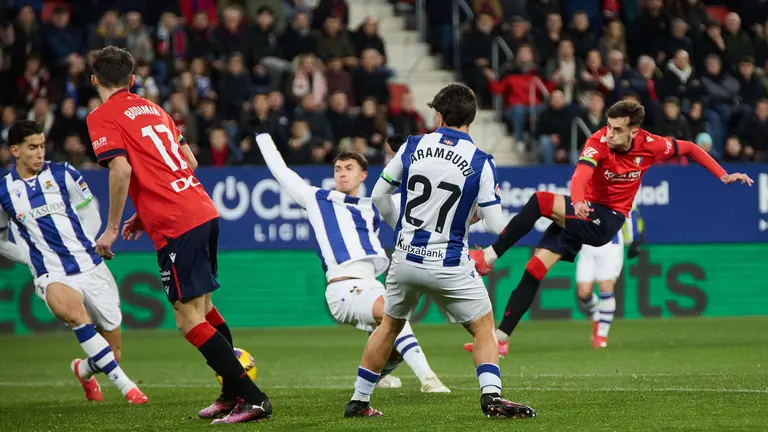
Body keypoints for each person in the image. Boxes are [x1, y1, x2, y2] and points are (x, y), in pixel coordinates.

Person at [463, 100, 753, 356]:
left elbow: (689, 148)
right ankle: (501, 337)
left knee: (540, 201)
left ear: (634, 132)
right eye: (608, 126)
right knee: (534, 268)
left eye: (617, 130)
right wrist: (576, 201)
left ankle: (489, 257)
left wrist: (723, 175)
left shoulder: (651, 145)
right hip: (584, 211)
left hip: (608, 220)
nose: (609, 133)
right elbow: (580, 175)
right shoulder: (598, 142)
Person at [85, 46, 271, 424]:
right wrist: (146, 207)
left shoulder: (102, 116)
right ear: (133, 79)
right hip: (201, 208)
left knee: (187, 319)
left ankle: (253, 399)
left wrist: (111, 228)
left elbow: (119, 170)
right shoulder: (155, 109)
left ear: (94, 80)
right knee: (203, 310)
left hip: (176, 222)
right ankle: (232, 394)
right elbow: (189, 162)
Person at [343, 84, 536, 419]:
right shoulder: (480, 162)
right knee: (483, 328)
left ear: (438, 115)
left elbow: (378, 197)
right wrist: (477, 209)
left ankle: (359, 401)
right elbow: (494, 225)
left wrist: (401, 230)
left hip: (404, 258)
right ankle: (491, 397)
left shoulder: (413, 146)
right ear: (471, 118)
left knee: (389, 325)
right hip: (448, 263)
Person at [254, 134, 450, 393]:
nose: (342, 174)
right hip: (343, 288)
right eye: (338, 169)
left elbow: (423, 196)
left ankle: (379, 375)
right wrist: (263, 135)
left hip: (372, 285)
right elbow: (280, 171)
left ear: (363, 176)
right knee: (393, 313)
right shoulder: (317, 199)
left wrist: (408, 151)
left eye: (349, 169)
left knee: (395, 343)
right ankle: (429, 380)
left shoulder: (373, 206)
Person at [0, 120, 147, 404]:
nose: (39, 153)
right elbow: (1, 240)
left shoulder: (62, 173)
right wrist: (31, 259)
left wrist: (90, 242)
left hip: (90, 264)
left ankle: (83, 370)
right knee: (76, 316)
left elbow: (89, 208)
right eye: (32, 147)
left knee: (112, 353)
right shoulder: (4, 191)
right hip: (51, 273)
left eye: (42, 146)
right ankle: (128, 387)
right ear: (15, 151)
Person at [575, 204, 644, 348]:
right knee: (583, 293)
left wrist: (635, 240)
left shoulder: (615, 190)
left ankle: (601, 335)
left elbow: (631, 211)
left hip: (611, 245)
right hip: (587, 246)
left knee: (606, 287)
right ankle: (597, 317)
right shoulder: (583, 191)